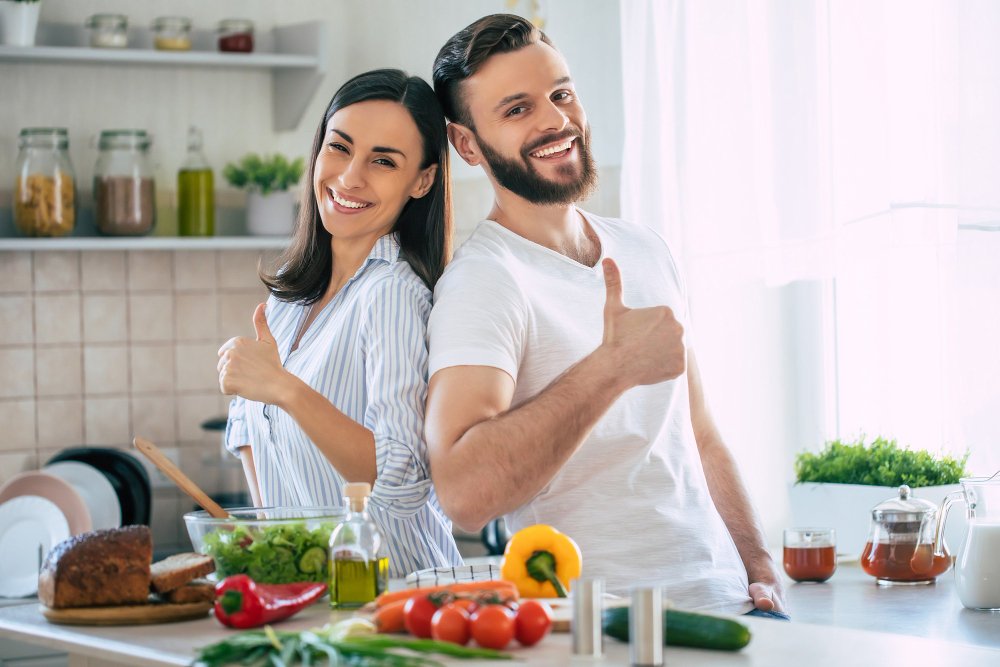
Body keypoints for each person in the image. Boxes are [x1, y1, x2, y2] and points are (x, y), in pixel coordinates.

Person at [425, 15, 786, 617]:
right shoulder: (483, 283)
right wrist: (611, 368)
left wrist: (759, 565)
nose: (555, 120)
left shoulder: (646, 249)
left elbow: (699, 436)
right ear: (467, 145)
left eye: (561, 94)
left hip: (728, 605)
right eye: (516, 110)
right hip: (600, 628)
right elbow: (463, 492)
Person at [217, 69, 462, 577]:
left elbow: (402, 475)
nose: (350, 177)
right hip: (318, 596)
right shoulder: (289, 295)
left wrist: (285, 388)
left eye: (383, 161)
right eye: (339, 147)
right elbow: (248, 429)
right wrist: (278, 555)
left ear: (422, 179)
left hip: (397, 596)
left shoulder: (391, 294)